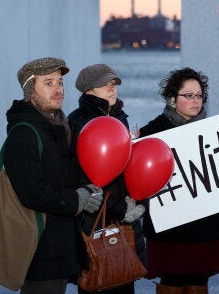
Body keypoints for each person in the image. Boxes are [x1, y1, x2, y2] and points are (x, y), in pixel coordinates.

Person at [139, 67, 219, 293]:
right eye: (188, 95)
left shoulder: (213, 133)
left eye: (199, 95)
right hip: (171, 230)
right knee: (171, 281)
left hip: (206, 227)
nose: (196, 101)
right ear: (172, 99)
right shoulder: (153, 133)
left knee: (199, 282)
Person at [4, 57, 104, 293]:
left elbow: (63, 178)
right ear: (31, 90)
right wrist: (77, 200)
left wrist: (87, 190)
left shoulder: (57, 126)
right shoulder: (24, 132)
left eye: (60, 83)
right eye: (48, 83)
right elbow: (32, 193)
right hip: (38, 252)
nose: (58, 89)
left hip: (58, 248)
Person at [67, 63, 146, 294]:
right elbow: (82, 178)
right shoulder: (79, 122)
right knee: (98, 280)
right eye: (104, 85)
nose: (112, 89)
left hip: (124, 219)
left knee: (124, 276)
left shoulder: (120, 118)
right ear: (88, 91)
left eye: (113, 84)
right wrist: (120, 209)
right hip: (95, 221)